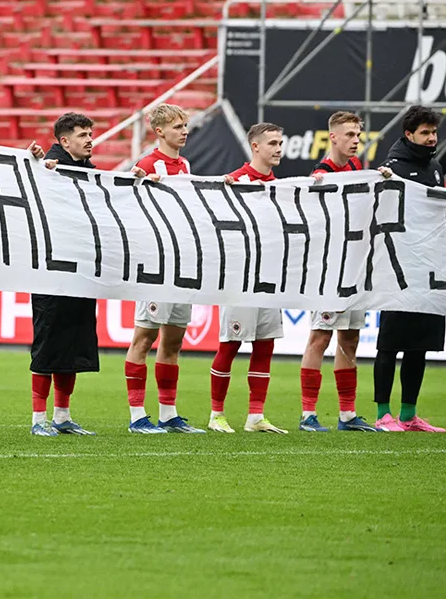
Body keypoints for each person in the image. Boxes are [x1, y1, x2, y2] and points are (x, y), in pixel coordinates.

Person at [298, 111, 388, 432]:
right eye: (349, 134)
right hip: (330, 271)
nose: (356, 140)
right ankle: (308, 415)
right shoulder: (321, 175)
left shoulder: (354, 170)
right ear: (333, 137)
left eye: (358, 135)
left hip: (354, 268)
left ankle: (347, 415)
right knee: (320, 337)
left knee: (349, 339)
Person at [123, 104, 205, 434]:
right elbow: (129, 206)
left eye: (185, 126)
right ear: (159, 132)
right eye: (177, 127)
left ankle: (168, 414)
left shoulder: (184, 165)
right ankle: (136, 416)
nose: (184, 132)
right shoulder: (146, 166)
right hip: (156, 264)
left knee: (173, 342)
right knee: (144, 338)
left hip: (181, 264)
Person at [208, 123, 289, 434]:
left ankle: (256, 416)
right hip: (239, 279)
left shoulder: (280, 187)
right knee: (230, 345)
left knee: (264, 346)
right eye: (272, 143)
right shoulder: (235, 182)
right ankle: (216, 414)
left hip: (269, 277)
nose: (278, 148)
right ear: (255, 147)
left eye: (280, 142)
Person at [373, 106, 446, 432]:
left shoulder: (435, 168)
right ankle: (383, 414)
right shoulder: (391, 169)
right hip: (398, 269)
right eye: (425, 133)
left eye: (434, 132)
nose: (432, 138)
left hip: (428, 269)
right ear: (409, 135)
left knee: (419, 345)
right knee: (390, 344)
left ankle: (408, 415)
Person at [28, 112, 100, 437]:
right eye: (83, 135)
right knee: (48, 341)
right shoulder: (48, 168)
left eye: (90, 134)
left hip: (81, 268)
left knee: (73, 341)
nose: (90, 140)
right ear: (64, 141)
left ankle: (62, 416)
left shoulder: (91, 172)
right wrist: (35, 167)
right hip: (51, 269)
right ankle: (38, 419)